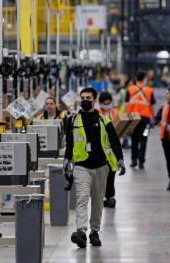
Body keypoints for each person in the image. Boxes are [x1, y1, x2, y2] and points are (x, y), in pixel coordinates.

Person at [64, 87, 126, 249]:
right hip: (81, 166)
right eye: (82, 97)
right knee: (82, 198)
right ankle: (81, 231)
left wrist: (120, 158)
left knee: (98, 202)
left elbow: (114, 141)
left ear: (94, 100)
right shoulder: (72, 120)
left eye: (88, 98)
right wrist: (67, 161)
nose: (85, 100)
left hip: (100, 166)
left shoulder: (104, 120)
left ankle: (94, 232)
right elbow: (70, 143)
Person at [125, 71, 156, 169]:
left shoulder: (130, 90)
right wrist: (153, 118)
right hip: (145, 120)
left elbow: (126, 105)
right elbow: (152, 106)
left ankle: (134, 160)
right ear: (144, 78)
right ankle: (141, 161)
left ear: (135, 78)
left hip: (133, 119)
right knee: (144, 140)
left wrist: (126, 119)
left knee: (134, 139)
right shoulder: (149, 90)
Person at [97, 92, 119, 208]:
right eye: (105, 103)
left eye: (109, 103)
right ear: (101, 103)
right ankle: (105, 196)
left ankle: (110, 197)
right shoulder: (96, 114)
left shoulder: (115, 112)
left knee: (111, 173)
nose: (107, 105)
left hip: (113, 149)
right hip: (100, 148)